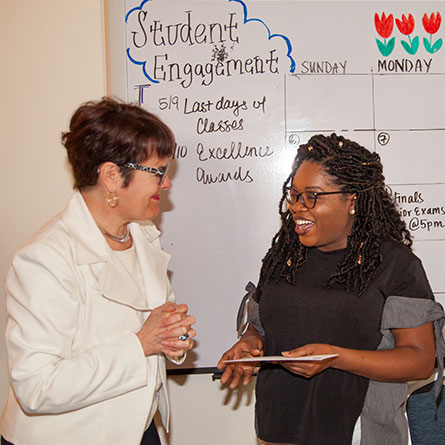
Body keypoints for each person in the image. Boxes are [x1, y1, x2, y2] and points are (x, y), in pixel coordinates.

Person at [217, 133, 445, 445]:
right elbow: (262, 327)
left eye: (312, 196)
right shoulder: (283, 256)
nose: (297, 207)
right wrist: (249, 343)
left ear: (351, 200)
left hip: (358, 433)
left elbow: (419, 360)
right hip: (276, 430)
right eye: (294, 195)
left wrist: (336, 357)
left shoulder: (394, 264)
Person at [0, 97, 196, 445]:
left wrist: (169, 338)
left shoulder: (142, 236)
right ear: (111, 176)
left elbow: (152, 332)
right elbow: (36, 387)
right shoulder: (46, 258)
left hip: (138, 429)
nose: (166, 184)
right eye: (158, 172)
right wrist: (141, 345)